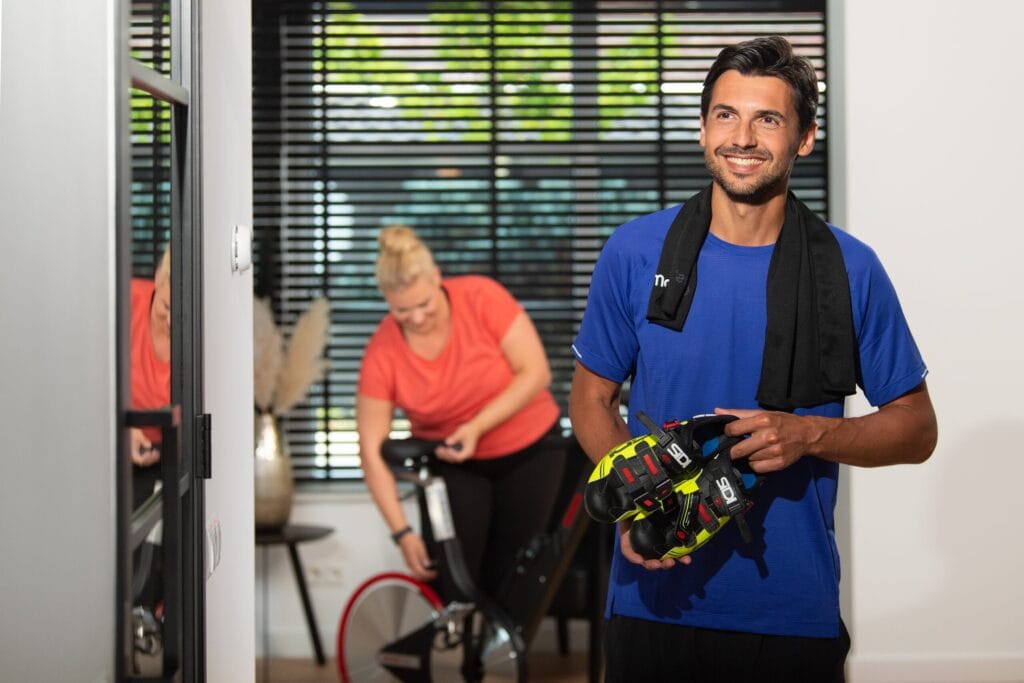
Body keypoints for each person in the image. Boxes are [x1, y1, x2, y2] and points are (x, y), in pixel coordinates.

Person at [568, 36, 937, 681]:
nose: (743, 137)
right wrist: (634, 506)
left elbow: (916, 428)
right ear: (703, 127)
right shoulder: (634, 252)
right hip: (652, 597)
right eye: (725, 115)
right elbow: (590, 399)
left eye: (767, 119)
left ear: (804, 138)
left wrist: (812, 433)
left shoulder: (851, 270)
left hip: (790, 610)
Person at [357, 225, 564, 599]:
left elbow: (536, 373)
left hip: (531, 450)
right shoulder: (382, 351)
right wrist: (402, 534)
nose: (417, 318)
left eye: (424, 304)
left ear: (437, 277)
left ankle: (501, 655)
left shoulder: (481, 297)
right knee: (455, 577)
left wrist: (476, 426)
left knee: (513, 573)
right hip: (453, 463)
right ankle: (461, 654)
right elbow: (372, 451)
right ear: (386, 299)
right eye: (402, 310)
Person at [131, 247, 171, 506]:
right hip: (115, 446)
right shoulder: (126, 300)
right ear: (158, 277)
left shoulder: (200, 336)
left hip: (170, 458)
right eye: (165, 306)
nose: (170, 321)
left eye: (180, 313)